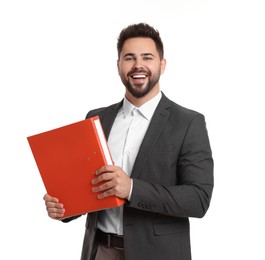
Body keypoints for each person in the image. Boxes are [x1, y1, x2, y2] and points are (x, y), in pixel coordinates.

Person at [43, 23, 214, 260]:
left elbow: (198, 199)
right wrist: (64, 209)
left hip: (158, 254)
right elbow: (86, 188)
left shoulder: (188, 123)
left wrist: (132, 189)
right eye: (129, 58)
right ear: (118, 66)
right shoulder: (97, 118)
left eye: (147, 57)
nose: (138, 65)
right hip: (99, 250)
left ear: (162, 65)